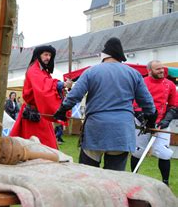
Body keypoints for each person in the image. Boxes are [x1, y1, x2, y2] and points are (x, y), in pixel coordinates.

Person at [54, 37, 155, 171]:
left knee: (88, 174)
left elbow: (74, 95)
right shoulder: (134, 74)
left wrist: (61, 111)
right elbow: (148, 105)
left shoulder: (91, 71)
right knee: (114, 178)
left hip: (96, 129)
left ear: (104, 55)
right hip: (121, 130)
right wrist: (150, 122)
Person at [10, 45, 72, 149]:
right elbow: (43, 84)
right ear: (39, 55)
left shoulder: (43, 71)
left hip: (40, 114)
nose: (48, 57)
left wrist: (62, 88)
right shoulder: (34, 69)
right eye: (46, 54)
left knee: (46, 145)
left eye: (50, 55)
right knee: (34, 146)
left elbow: (47, 83)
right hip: (32, 115)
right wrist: (62, 84)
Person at [130, 60, 177, 185]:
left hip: (161, 122)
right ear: (149, 71)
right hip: (142, 122)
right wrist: (142, 119)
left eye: (162, 68)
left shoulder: (170, 85)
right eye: (158, 69)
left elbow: (174, 105)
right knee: (138, 151)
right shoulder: (141, 83)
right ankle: (133, 179)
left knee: (164, 152)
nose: (162, 71)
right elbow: (134, 104)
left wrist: (167, 119)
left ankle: (165, 182)